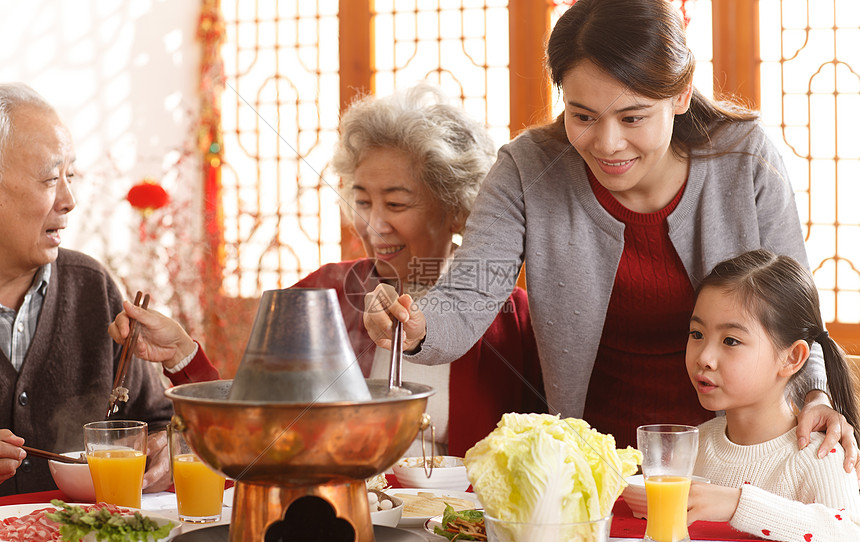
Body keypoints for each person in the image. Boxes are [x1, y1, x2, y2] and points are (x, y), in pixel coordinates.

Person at [362, 0, 859, 466]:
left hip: (738, 459)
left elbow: (794, 315)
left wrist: (815, 394)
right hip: (594, 465)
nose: (606, 143)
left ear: (680, 94)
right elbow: (469, 292)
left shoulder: (744, 158)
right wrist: (417, 324)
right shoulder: (527, 168)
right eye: (582, 116)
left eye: (632, 117)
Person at [110, 84, 544, 457]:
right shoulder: (322, 295)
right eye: (362, 201)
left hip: (460, 534)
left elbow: (543, 448)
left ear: (457, 209)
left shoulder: (511, 316)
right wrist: (182, 354)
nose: (373, 225)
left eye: (395, 204)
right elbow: (248, 429)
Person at [0, 83, 174, 496]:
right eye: (49, 179)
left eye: (71, 176)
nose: (69, 200)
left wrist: (166, 447)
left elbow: (159, 420)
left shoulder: (90, 286)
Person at [684, 250, 860, 542]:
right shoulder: (694, 444)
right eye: (697, 334)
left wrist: (738, 504)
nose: (704, 357)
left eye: (731, 341)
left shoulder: (817, 455)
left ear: (792, 358)